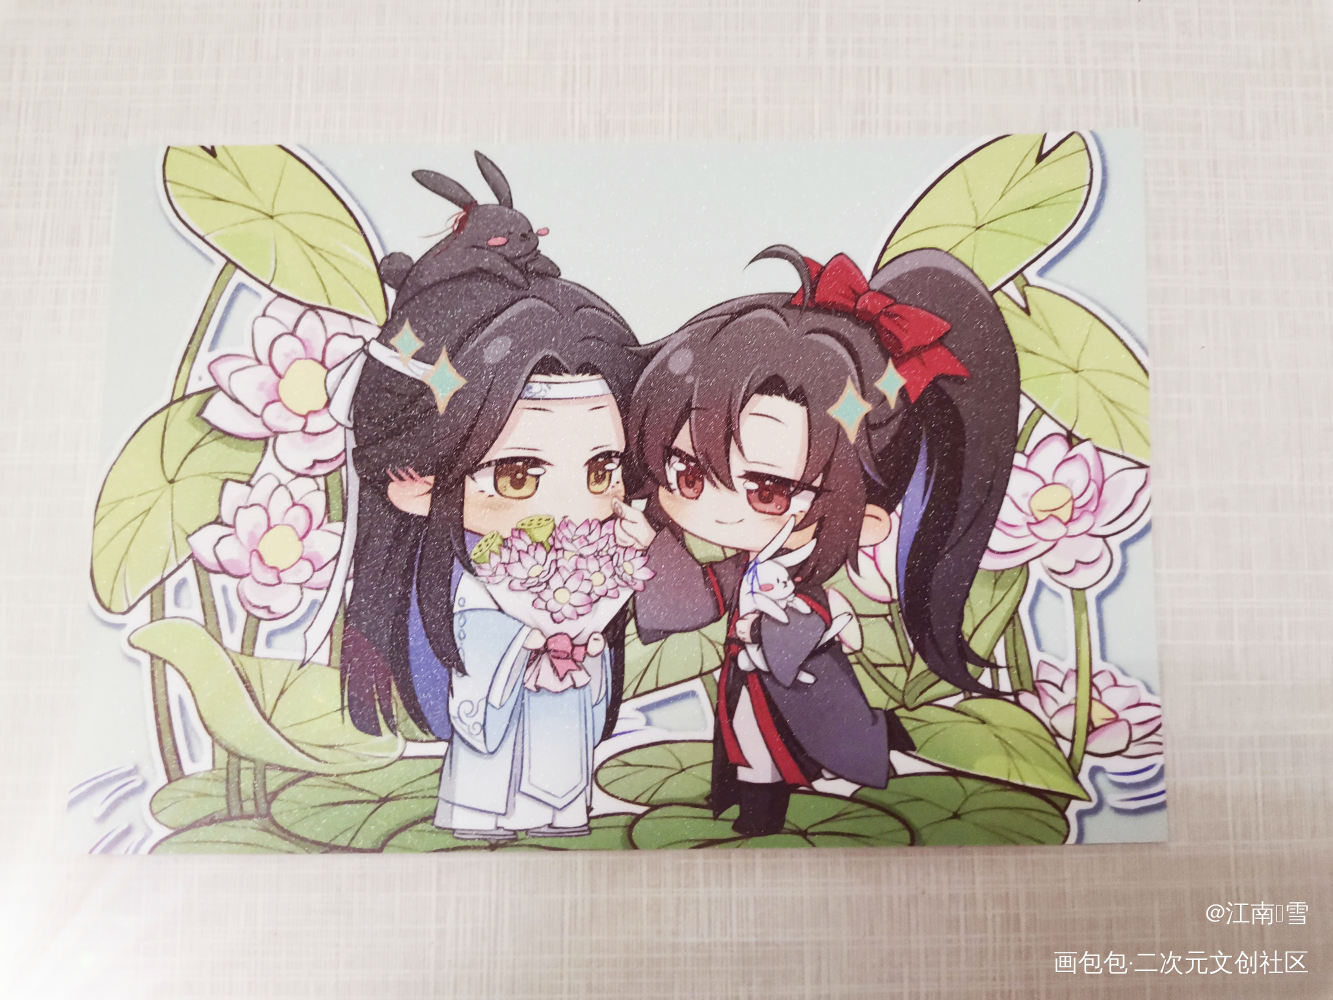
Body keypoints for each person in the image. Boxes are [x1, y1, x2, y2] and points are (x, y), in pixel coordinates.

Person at [617, 246, 1020, 835]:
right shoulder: (748, 570)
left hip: (800, 687)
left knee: (787, 745)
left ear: (867, 520)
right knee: (750, 743)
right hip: (754, 681)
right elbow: (697, 598)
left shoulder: (800, 588)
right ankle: (757, 808)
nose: (718, 509)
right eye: (690, 473)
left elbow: (805, 628)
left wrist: (767, 633)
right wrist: (651, 541)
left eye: (767, 491)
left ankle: (834, 768)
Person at [337, 246, 646, 840]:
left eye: (602, 469)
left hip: (563, 687)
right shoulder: (462, 564)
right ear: (417, 484)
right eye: (517, 476)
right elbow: (472, 633)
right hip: (500, 684)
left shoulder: (594, 552)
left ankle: (561, 814)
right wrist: (531, 639)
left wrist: (585, 634)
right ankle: (483, 818)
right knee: (489, 781)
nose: (571, 507)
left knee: (561, 767)